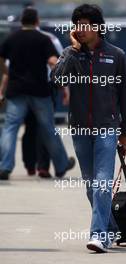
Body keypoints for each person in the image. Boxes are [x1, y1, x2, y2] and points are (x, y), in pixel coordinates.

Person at [52, 4, 126, 253]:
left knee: (101, 182)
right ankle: (110, 229)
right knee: (91, 185)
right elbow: (56, 80)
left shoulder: (116, 55)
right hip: (80, 130)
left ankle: (98, 235)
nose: (80, 29)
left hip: (107, 129)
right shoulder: (71, 54)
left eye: (85, 25)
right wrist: (72, 52)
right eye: (77, 25)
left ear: (98, 27)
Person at [0, 7, 75, 180]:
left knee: (10, 128)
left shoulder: (11, 39)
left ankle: (4, 166)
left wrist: (5, 75)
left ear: (21, 22)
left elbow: (2, 60)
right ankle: (61, 165)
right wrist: (64, 86)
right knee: (48, 128)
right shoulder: (43, 39)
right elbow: (53, 63)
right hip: (39, 91)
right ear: (37, 21)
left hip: (16, 90)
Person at [21, 25, 65, 178]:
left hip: (21, 88)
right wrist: (64, 88)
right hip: (44, 87)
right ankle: (44, 167)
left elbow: (8, 65)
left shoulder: (17, 38)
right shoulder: (49, 39)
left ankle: (29, 165)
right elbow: (59, 65)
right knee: (45, 127)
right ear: (37, 21)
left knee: (29, 128)